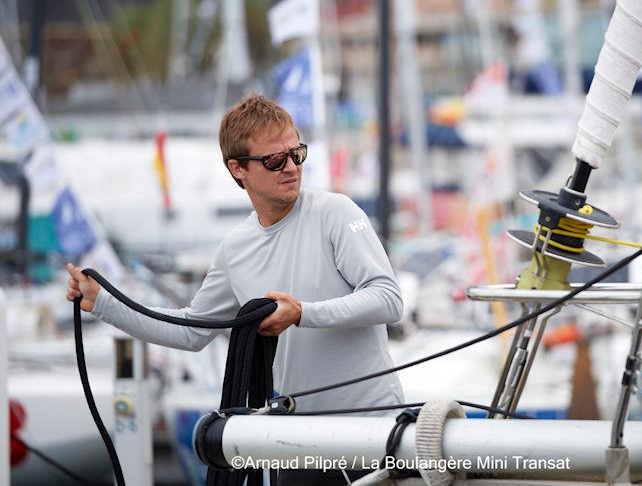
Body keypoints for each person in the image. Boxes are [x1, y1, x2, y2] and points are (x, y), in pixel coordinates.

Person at [66, 93, 405, 485]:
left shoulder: (336, 213)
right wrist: (104, 304)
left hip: (375, 435)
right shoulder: (235, 249)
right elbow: (194, 330)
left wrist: (302, 313)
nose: (291, 168)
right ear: (238, 169)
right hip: (300, 443)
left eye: (297, 154)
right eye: (275, 160)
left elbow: (388, 298)